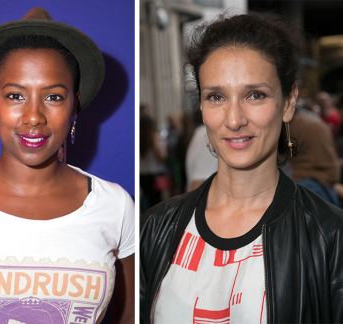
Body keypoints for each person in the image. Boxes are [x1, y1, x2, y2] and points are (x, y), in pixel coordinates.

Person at [0, 8, 135, 324]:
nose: (33, 116)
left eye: (53, 97)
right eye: (15, 95)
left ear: (74, 106)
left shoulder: (116, 205)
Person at [140, 13, 343, 323]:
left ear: (288, 103)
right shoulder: (154, 229)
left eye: (255, 95)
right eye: (216, 96)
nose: (233, 120)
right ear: (202, 108)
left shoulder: (332, 235)